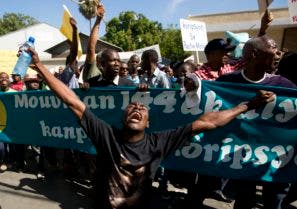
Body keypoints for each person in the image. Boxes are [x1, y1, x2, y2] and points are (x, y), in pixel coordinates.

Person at [29, 47, 275, 209]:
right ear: (122, 118)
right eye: (131, 108)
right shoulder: (106, 134)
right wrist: (40, 66)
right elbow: (71, 100)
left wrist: (247, 104)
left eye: (142, 110)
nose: (136, 109)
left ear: (149, 124)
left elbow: (208, 121)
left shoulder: (160, 142)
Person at [217, 35, 297, 209]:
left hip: (277, 158)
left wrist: (280, 102)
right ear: (254, 54)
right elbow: (210, 109)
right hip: (241, 156)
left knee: (274, 201)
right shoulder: (227, 83)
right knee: (244, 200)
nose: (278, 54)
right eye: (273, 49)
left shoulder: (284, 85)